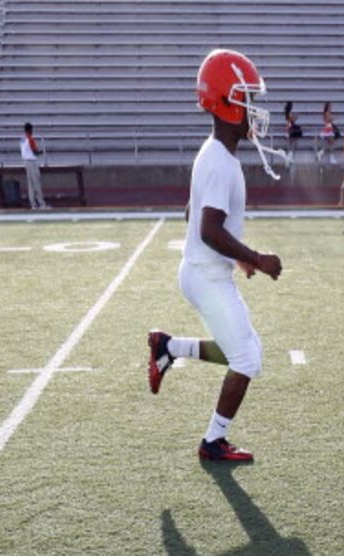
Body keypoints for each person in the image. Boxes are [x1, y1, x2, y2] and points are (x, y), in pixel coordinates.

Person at [146, 48, 282, 466]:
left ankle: (168, 347)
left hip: (204, 270)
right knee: (248, 358)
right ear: (225, 102)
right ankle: (212, 442)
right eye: (245, 98)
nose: (253, 109)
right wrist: (255, 257)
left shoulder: (213, 153)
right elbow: (207, 228)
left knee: (242, 349)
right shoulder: (220, 161)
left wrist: (235, 257)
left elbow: (194, 213)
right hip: (205, 275)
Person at [20, 121, 46, 210]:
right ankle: (41, 203)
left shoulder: (22, 139)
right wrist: (41, 152)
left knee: (30, 183)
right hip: (32, 162)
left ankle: (33, 204)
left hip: (25, 162)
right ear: (30, 130)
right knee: (36, 182)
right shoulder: (30, 139)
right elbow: (35, 151)